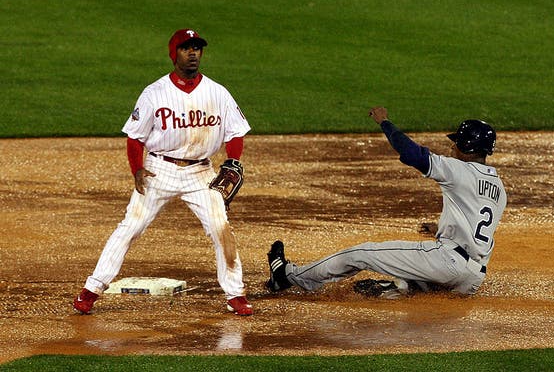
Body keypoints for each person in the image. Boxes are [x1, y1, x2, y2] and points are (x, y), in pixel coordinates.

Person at [73, 29, 253, 315]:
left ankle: (235, 295)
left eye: (197, 48)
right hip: (159, 170)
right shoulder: (154, 93)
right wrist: (137, 170)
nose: (193, 53)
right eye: (186, 48)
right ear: (174, 54)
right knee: (130, 227)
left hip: (201, 174)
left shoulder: (218, 92)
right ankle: (92, 289)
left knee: (222, 230)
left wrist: (232, 160)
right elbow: (135, 137)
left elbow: (235, 133)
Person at [266, 107, 506, 298]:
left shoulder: (457, 169)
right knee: (418, 284)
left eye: (456, 142)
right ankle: (397, 289)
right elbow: (476, 220)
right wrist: (442, 227)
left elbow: (413, 154)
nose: (452, 146)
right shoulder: (498, 187)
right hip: (472, 278)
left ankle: (287, 276)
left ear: (467, 146)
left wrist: (385, 122)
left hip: (446, 263)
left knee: (359, 254)